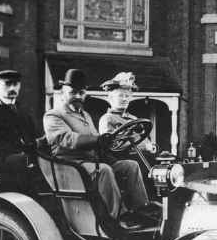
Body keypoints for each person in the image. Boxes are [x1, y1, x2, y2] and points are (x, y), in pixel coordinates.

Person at [43, 69, 150, 219]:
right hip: (70, 165)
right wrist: (98, 140)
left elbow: (97, 140)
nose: (78, 97)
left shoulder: (85, 115)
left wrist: (106, 144)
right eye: (73, 92)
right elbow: (67, 138)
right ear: (63, 93)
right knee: (104, 170)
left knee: (130, 166)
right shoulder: (53, 115)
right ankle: (118, 217)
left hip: (91, 163)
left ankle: (141, 210)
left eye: (81, 93)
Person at [0, 69, 38, 189]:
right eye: (8, 84)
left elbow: (32, 138)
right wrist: (24, 152)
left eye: (16, 84)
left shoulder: (23, 112)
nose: (12, 88)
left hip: (22, 160)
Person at [98, 72, 157, 163]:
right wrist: (144, 147)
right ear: (111, 98)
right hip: (124, 161)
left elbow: (144, 139)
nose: (125, 99)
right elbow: (112, 148)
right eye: (121, 96)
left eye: (127, 96)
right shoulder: (107, 119)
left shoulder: (133, 119)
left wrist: (151, 146)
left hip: (144, 157)